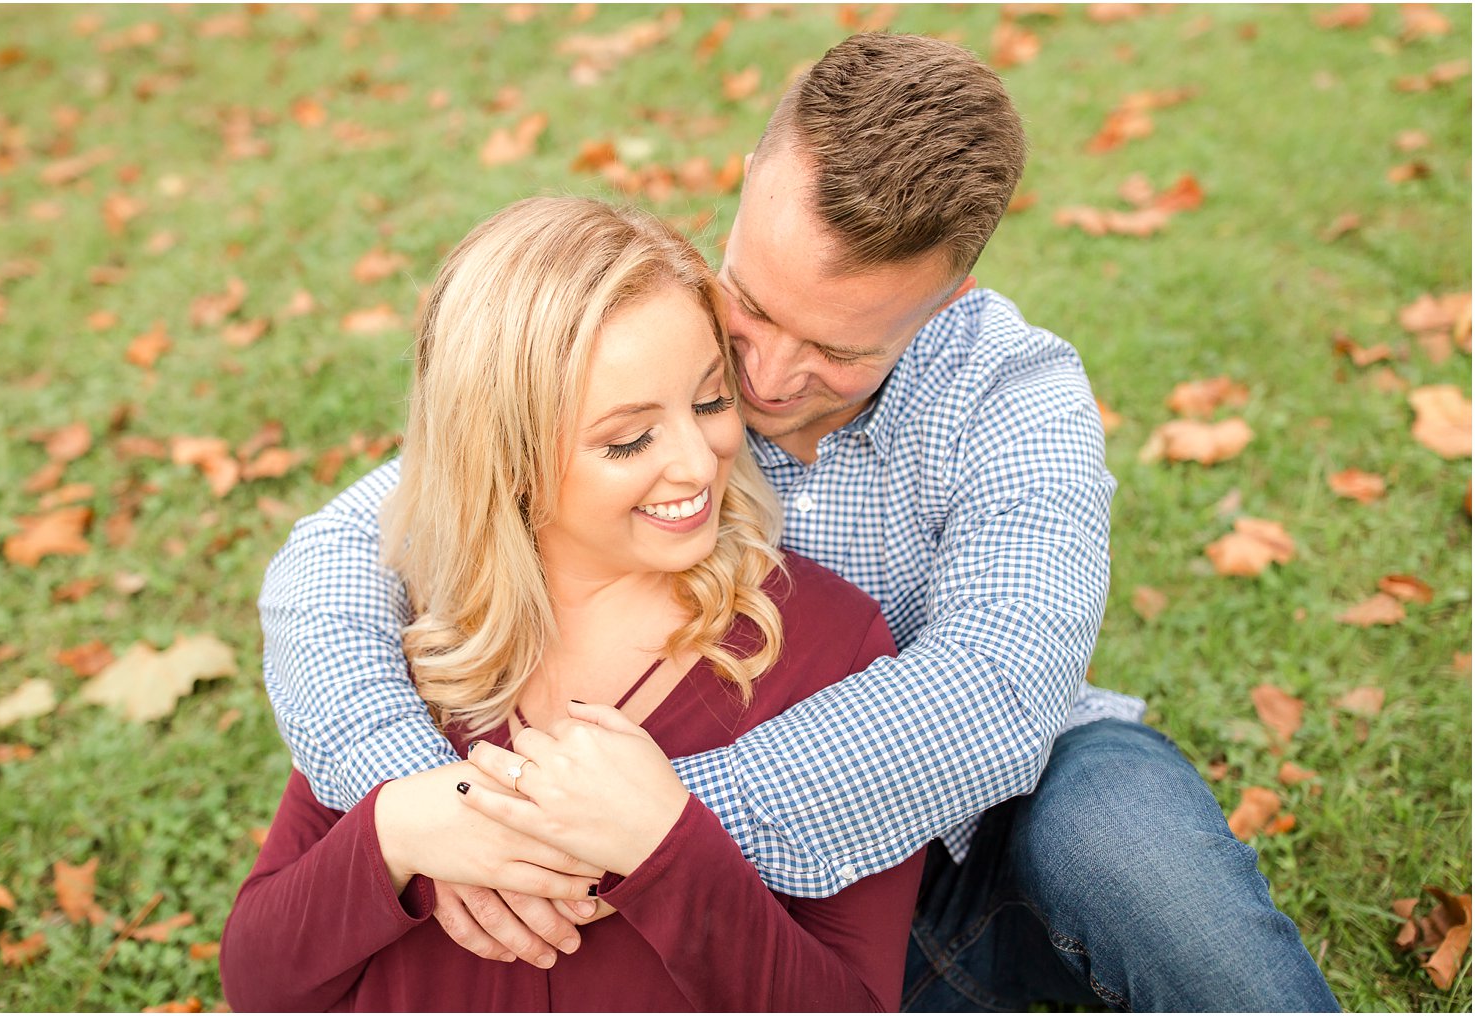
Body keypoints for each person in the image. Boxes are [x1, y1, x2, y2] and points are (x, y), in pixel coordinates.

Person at [256, 33, 1340, 1012]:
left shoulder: (1013, 398)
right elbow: (358, 544)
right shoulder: (657, 329)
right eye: (757, 306)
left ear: (951, 291)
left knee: (1140, 861)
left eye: (840, 349)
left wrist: (641, 826)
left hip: (988, 821)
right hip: (733, 900)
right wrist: (422, 805)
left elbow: (997, 689)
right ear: (744, 190)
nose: (767, 375)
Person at [221, 197, 923, 1012]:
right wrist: (392, 834)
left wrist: (671, 851)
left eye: (708, 402)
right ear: (508, 456)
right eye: (629, 439)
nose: (699, 464)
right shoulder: (408, 637)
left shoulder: (831, 648)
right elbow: (260, 982)